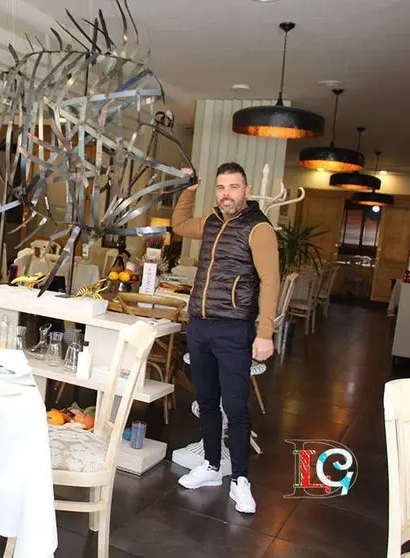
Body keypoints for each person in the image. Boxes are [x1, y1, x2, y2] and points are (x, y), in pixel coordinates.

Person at [171, 162, 280, 514]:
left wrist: (265, 333)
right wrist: (188, 189)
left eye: (233, 187)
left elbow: (270, 281)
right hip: (201, 325)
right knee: (206, 401)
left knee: (235, 406)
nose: (226, 193)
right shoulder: (211, 222)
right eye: (220, 187)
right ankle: (213, 468)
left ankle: (241, 481)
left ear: (245, 190)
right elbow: (178, 225)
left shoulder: (259, 228)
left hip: (235, 328)